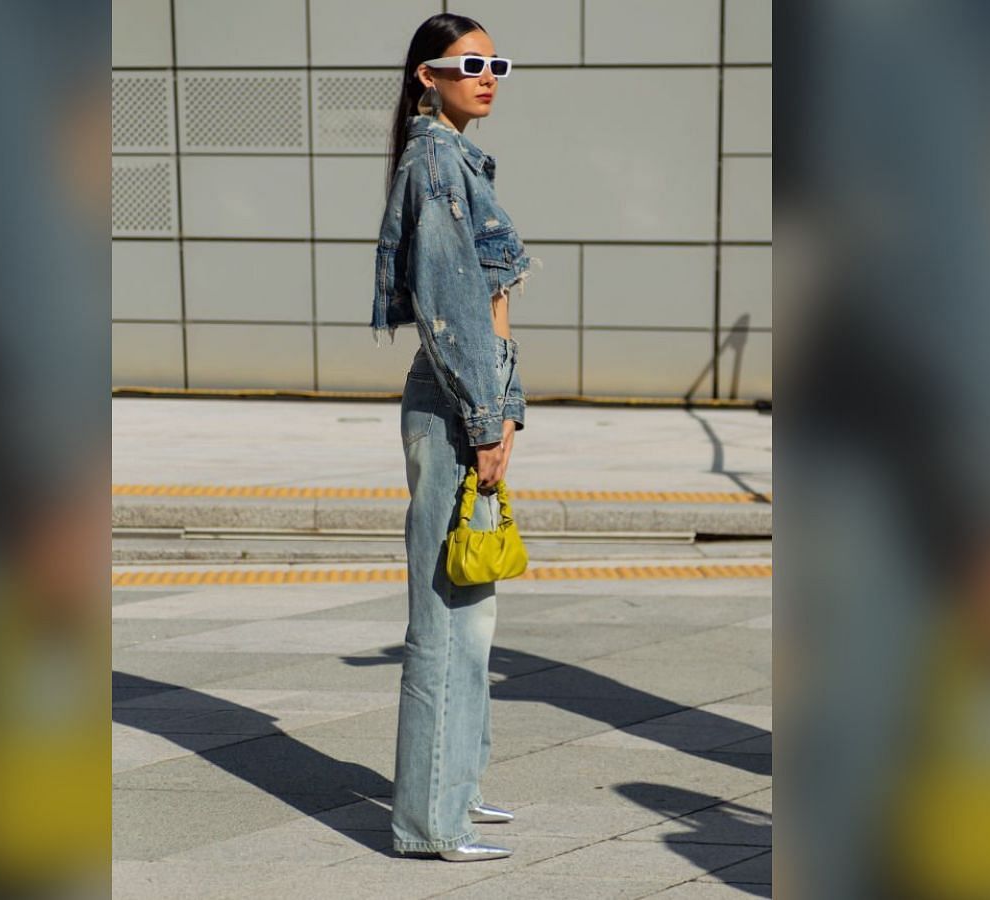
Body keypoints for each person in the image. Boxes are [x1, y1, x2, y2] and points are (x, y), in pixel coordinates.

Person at [370, 13, 540, 862]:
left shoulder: (456, 158)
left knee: (473, 611)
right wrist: (484, 419)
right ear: (426, 76)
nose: (488, 75)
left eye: (496, 62)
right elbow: (451, 305)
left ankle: (459, 791)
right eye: (470, 63)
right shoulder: (436, 161)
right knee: (442, 619)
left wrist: (500, 407)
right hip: (452, 405)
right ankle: (429, 823)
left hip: (471, 399)